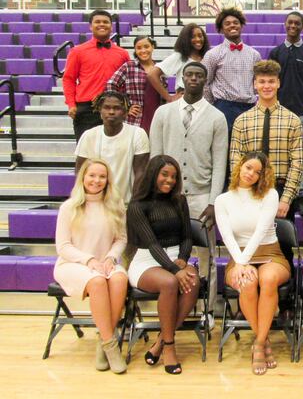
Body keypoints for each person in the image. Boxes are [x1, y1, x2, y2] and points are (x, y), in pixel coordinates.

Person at [149, 61, 228, 329]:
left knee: (207, 256)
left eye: (199, 75)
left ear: (206, 81)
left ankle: (209, 309)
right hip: (168, 196)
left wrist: (213, 201)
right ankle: (169, 305)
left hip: (201, 195)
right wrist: (155, 196)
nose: (194, 79)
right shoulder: (163, 113)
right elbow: (155, 158)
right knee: (167, 250)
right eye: (189, 75)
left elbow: (220, 163)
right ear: (182, 79)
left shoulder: (216, 117)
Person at [215, 152, 291, 375]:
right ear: (240, 166)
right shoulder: (223, 200)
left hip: (270, 253)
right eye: (249, 167)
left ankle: (258, 344)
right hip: (238, 255)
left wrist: (243, 261)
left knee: (268, 279)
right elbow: (226, 236)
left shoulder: (270, 195)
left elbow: (260, 232)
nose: (251, 174)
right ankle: (262, 340)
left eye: (258, 172)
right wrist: (240, 262)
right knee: (248, 282)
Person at [54, 159, 128, 374]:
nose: (97, 180)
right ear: (83, 177)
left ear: (108, 180)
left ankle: (103, 339)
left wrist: (111, 258)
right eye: (92, 175)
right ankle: (111, 347)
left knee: (119, 278)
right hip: (73, 263)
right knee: (97, 281)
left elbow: (121, 239)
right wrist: (89, 260)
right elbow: (63, 246)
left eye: (102, 176)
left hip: (105, 261)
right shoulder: (69, 207)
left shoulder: (115, 205)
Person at [126, 155, 198, 375]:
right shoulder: (137, 205)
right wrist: (174, 270)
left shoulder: (179, 201)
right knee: (169, 283)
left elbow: (187, 236)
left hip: (176, 256)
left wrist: (183, 259)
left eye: (174, 176)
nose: (170, 180)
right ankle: (169, 347)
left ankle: (160, 341)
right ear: (152, 174)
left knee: (193, 281)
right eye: (164, 174)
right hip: (147, 259)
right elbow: (151, 243)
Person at [230, 60, 303, 223]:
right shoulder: (242, 121)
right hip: (250, 189)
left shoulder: (293, 120)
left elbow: (297, 163)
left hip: (280, 189)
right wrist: (243, 194)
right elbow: (236, 162)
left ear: (278, 83)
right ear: (255, 84)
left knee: (282, 239)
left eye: (271, 81)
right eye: (262, 81)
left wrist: (286, 199)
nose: (267, 86)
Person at [63, 9, 130, 141]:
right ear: (90, 26)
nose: (102, 24)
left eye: (105, 22)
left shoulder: (122, 53)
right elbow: (69, 79)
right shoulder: (77, 51)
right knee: (86, 148)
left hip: (115, 107)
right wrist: (71, 104)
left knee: (114, 147)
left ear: (111, 26)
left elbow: (128, 81)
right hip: (87, 108)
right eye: (97, 22)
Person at [75, 91, 149, 204]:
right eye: (106, 107)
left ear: (125, 112)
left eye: (117, 108)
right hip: (96, 203)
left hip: (126, 203)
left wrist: (134, 204)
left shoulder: (138, 134)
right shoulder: (88, 136)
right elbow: (80, 172)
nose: (111, 112)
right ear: (100, 111)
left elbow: (141, 172)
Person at [202, 7, 262, 132]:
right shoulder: (213, 54)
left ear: (241, 25)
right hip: (224, 106)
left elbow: (258, 82)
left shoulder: (254, 54)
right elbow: (205, 83)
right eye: (227, 23)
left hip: (249, 107)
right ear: (221, 29)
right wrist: (213, 105)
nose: (232, 25)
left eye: (236, 22)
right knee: (225, 142)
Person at [106, 36, 165, 132]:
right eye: (139, 48)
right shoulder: (129, 66)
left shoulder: (160, 68)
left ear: (152, 47)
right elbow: (111, 85)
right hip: (135, 119)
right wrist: (124, 106)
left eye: (146, 46)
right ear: (135, 50)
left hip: (156, 116)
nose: (143, 50)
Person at [268, 11, 303, 118]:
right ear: (285, 24)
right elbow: (270, 82)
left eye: (297, 23)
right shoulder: (275, 53)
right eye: (290, 22)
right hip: (279, 111)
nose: (293, 26)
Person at [148, 23, 211, 103]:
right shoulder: (179, 56)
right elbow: (152, 74)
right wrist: (169, 98)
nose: (198, 39)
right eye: (193, 37)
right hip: (185, 102)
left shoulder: (208, 57)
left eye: (200, 36)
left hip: (204, 101)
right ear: (185, 39)